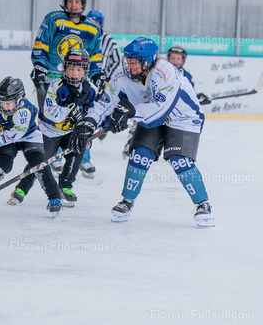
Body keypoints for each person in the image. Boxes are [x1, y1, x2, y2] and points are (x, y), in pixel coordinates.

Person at [69, 37, 215, 227]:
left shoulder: (166, 71)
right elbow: (106, 101)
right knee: (139, 155)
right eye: (128, 61)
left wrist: (129, 113)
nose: (129, 66)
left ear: (148, 61)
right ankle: (127, 201)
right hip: (149, 115)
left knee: (179, 160)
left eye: (134, 62)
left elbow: (161, 109)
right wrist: (88, 122)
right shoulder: (122, 74)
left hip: (183, 118)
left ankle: (203, 204)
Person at [8, 49, 98, 208]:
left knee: (78, 151)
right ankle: (21, 188)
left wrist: (88, 129)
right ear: (64, 68)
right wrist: (69, 111)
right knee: (40, 161)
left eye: (79, 69)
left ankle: (65, 186)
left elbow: (93, 112)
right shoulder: (56, 86)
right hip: (49, 131)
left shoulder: (90, 89)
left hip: (71, 131)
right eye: (71, 68)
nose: (74, 73)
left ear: (85, 71)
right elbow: (49, 111)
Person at [0, 77, 63, 216]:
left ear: (19, 99)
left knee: (39, 164)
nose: (4, 106)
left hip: (28, 136)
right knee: (3, 164)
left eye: (8, 103)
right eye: (2, 103)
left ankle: (55, 198)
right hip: (6, 133)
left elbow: (14, 135)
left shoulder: (24, 110)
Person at [31, 0, 105, 107]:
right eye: (70, 1)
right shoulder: (54, 19)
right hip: (51, 77)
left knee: (74, 115)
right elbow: (41, 45)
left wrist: (96, 74)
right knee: (49, 114)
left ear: (83, 5)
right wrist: (40, 65)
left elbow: (95, 55)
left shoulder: (92, 28)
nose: (73, 5)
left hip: (76, 80)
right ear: (65, 3)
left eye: (77, 2)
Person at [77, 9, 124, 178]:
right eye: (89, 21)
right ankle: (59, 157)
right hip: (74, 82)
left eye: (95, 22)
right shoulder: (79, 36)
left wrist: (106, 78)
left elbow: (117, 61)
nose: (92, 25)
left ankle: (84, 159)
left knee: (88, 117)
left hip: (96, 84)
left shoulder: (108, 41)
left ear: (101, 24)